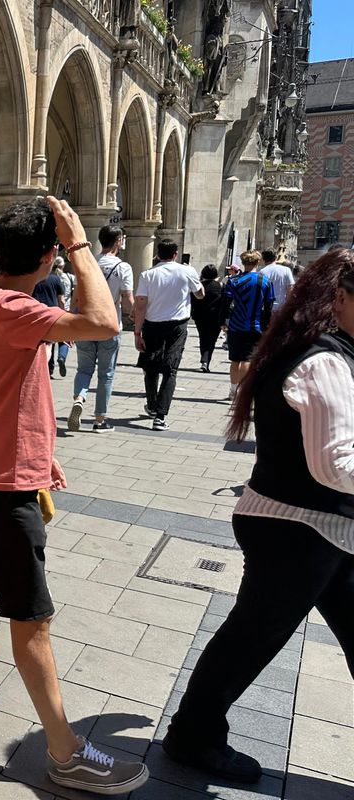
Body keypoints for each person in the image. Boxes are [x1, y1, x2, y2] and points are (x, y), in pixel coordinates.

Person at [0, 197, 148, 794]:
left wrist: (37, 452)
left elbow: (5, 387)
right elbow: (108, 324)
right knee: (31, 620)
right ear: (49, 255)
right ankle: (65, 755)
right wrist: (83, 244)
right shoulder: (11, 306)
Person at [163, 247, 354, 784]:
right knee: (250, 638)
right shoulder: (323, 361)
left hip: (318, 529)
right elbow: (337, 463)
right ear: (339, 298)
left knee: (250, 635)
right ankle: (191, 736)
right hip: (300, 529)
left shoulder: (322, 351)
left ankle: (191, 734)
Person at [67, 224, 134, 432]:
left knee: (84, 368)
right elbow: (128, 298)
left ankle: (80, 397)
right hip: (109, 325)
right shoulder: (123, 267)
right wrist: (135, 315)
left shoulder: (87, 263)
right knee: (106, 373)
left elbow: (76, 297)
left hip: (86, 323)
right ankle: (99, 420)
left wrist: (71, 321)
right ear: (118, 242)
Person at [134, 239, 203, 430]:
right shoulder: (187, 271)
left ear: (157, 253)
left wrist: (137, 333)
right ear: (176, 253)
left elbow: (140, 305)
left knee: (150, 366)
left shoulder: (147, 275)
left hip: (152, 324)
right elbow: (200, 294)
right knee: (170, 369)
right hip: (177, 326)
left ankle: (152, 404)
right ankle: (161, 416)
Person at [224, 250, 275, 399]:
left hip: (235, 325)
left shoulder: (233, 281)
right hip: (255, 325)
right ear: (257, 262)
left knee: (235, 359)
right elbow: (268, 306)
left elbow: (225, 303)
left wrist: (223, 321)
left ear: (243, 263)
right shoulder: (265, 281)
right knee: (247, 359)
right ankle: (243, 391)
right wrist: (266, 326)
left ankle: (233, 390)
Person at [190, 264, 228, 372]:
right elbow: (225, 303)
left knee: (203, 337)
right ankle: (206, 360)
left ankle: (204, 360)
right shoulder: (221, 286)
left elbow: (193, 300)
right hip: (216, 317)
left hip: (200, 317)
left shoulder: (199, 286)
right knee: (212, 340)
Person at [33, 263, 67, 376]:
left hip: (36, 311)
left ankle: (40, 365)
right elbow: (61, 299)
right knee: (51, 341)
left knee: (39, 341)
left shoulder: (35, 277)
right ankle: (49, 368)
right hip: (52, 312)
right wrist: (63, 312)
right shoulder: (56, 279)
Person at [259, 247, 295, 313]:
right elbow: (290, 289)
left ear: (263, 259)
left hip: (266, 309)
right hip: (282, 309)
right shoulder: (286, 270)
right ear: (276, 257)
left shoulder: (261, 272)